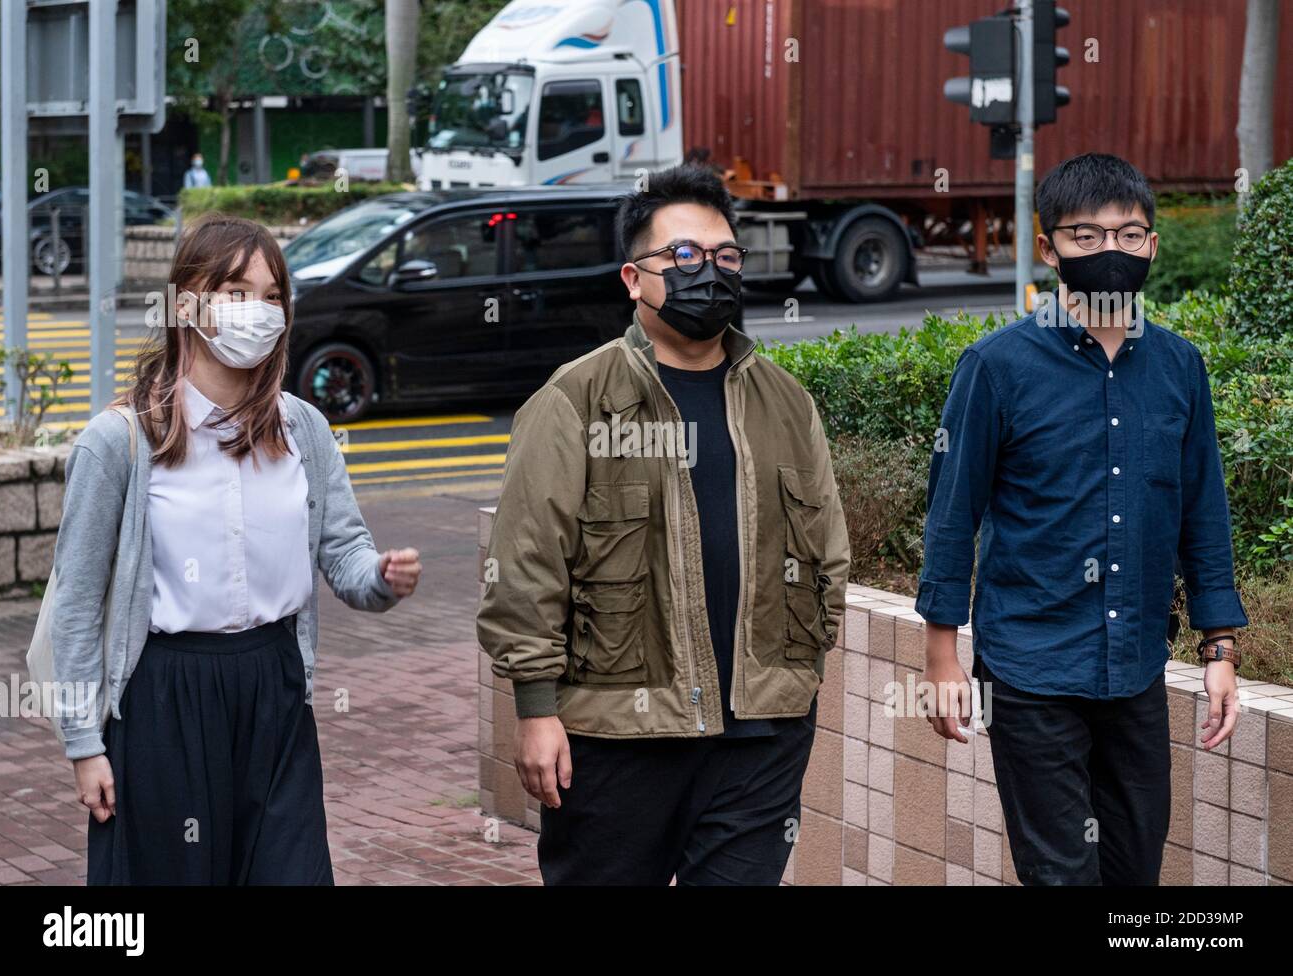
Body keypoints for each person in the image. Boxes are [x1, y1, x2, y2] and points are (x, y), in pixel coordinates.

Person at [476, 164, 850, 885]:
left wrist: (801, 674)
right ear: (632, 277)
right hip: (617, 736)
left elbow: (828, 553)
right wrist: (536, 710)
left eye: (724, 256)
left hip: (760, 737)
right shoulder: (575, 401)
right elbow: (526, 566)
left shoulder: (785, 401)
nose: (707, 272)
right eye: (682, 257)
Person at [52, 212, 422, 884]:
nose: (259, 310)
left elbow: (345, 555)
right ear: (186, 304)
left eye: (272, 294)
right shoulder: (119, 443)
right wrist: (84, 744)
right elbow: (74, 602)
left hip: (275, 689)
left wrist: (382, 576)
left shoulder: (304, 428)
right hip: (165, 697)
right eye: (235, 291)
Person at [916, 152, 1246, 885]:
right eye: (1087, 236)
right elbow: (951, 514)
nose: (1111, 252)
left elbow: (1203, 512)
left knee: (1135, 873)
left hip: (1135, 671)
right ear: (1048, 248)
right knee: (1062, 876)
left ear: (1153, 245)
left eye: (1129, 236)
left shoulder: (1179, 367)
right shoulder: (997, 366)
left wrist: (1219, 649)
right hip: (1031, 669)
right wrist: (942, 658)